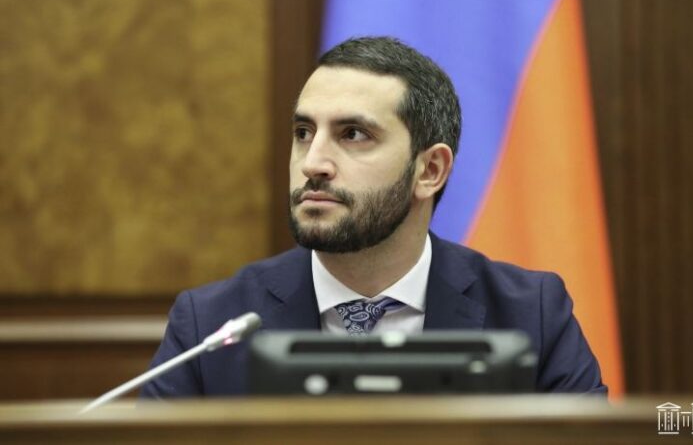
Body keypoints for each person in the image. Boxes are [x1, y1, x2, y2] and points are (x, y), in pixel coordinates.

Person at [140, 36, 607, 397]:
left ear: (430, 170)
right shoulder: (211, 325)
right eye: (303, 132)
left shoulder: (531, 315)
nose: (313, 163)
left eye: (353, 135)